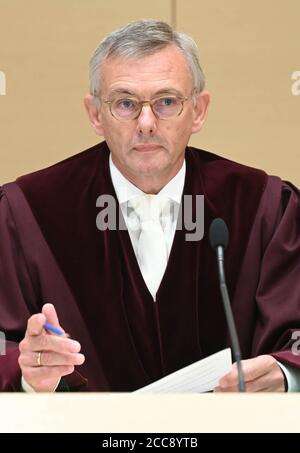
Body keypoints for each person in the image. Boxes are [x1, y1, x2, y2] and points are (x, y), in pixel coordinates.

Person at [0, 19, 300, 393]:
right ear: (95, 114)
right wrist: (27, 371)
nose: (146, 123)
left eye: (167, 102)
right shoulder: (27, 212)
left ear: (199, 111)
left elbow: (296, 338)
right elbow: (5, 347)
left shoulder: (264, 206)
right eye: (125, 103)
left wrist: (286, 374)